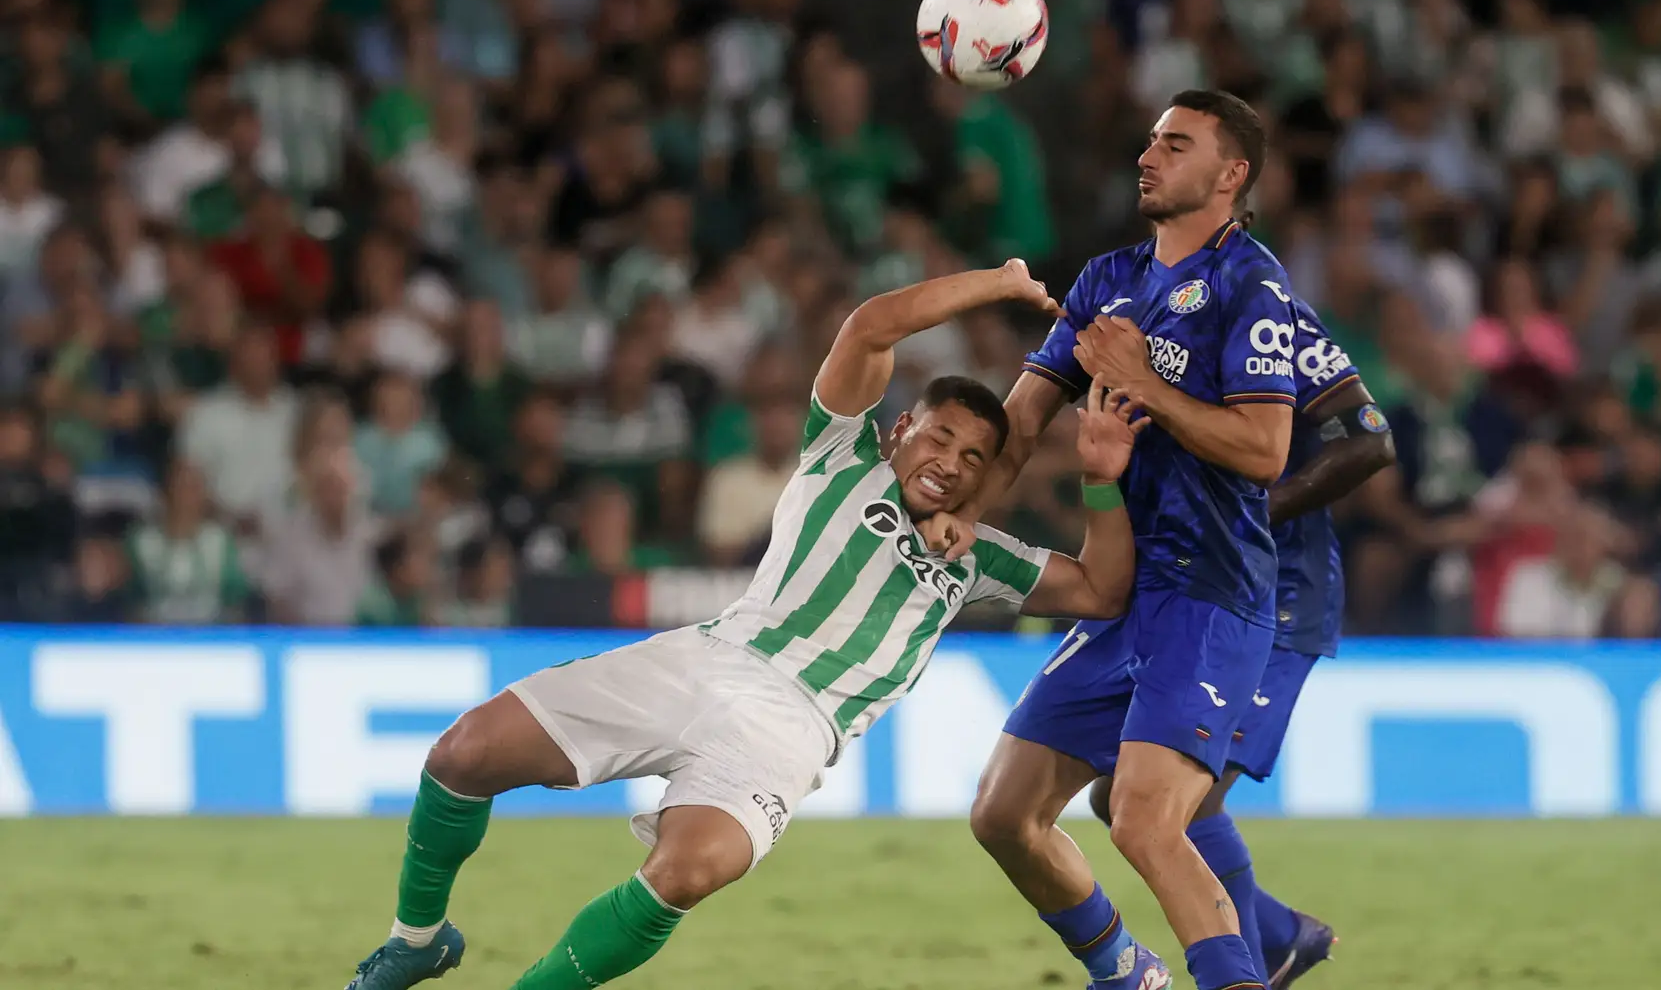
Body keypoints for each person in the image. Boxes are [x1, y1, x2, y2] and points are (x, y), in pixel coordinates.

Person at [343, 259, 1148, 990]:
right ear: (902, 430)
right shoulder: (839, 456)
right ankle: (417, 939)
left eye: (976, 458)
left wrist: (1101, 478)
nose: (953, 461)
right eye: (941, 436)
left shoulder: (981, 559)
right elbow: (871, 326)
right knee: (462, 753)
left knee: (686, 871)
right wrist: (999, 283)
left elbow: (1105, 590)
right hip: (705, 656)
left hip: (790, 727)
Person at [928, 89, 1301, 990]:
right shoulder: (1104, 282)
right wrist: (960, 502)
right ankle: (1127, 973)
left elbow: (1266, 449)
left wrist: (1147, 385)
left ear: (1231, 173)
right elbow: (1020, 422)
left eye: (1176, 145)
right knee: (1003, 812)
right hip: (1120, 592)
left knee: (1140, 819)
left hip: (1211, 595)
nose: (1149, 156)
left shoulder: (1254, 287)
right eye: (1149, 141)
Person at [1082, 285, 1394, 985]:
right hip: (1189, 586)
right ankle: (1279, 937)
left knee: (1172, 804)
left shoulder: (1271, 317)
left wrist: (1254, 514)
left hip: (1276, 592)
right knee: (1121, 798)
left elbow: (1371, 441)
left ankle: (1252, 963)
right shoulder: (1146, 305)